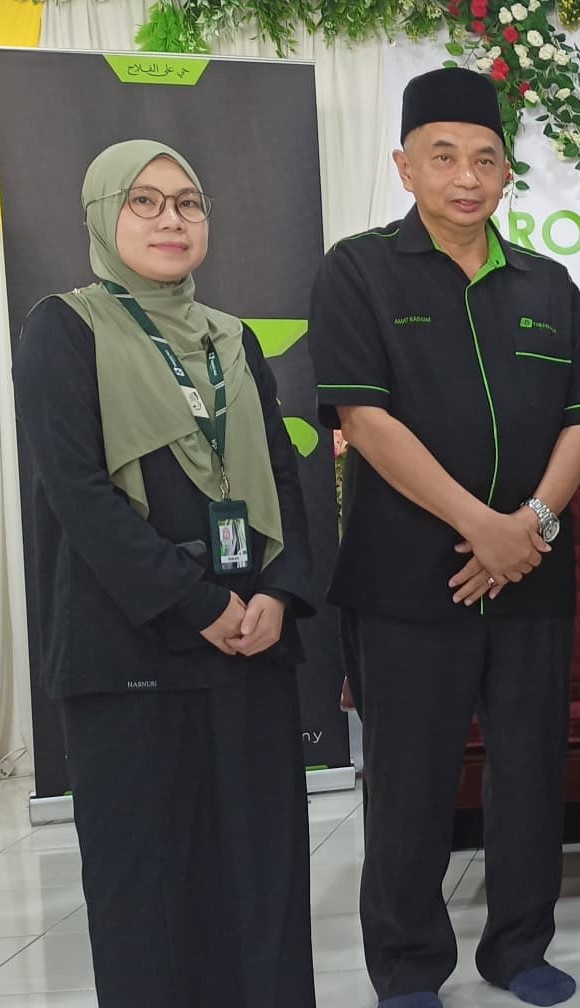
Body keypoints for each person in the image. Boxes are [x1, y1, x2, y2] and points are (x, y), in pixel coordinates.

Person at [307, 68, 580, 1008]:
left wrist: (532, 526)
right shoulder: (358, 271)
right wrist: (483, 527)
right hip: (408, 581)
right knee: (410, 784)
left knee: (528, 774)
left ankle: (519, 949)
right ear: (405, 168)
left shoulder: (547, 282)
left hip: (532, 574)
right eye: (443, 157)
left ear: (508, 172)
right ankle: (408, 968)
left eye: (485, 158)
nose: (466, 176)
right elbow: (365, 419)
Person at [13, 139, 315, 1007]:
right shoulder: (63, 329)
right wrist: (197, 603)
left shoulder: (232, 338)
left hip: (250, 648)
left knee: (262, 880)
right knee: (148, 890)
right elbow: (78, 495)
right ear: (103, 216)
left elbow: (284, 482)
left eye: (187, 202)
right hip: (131, 656)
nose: (170, 219)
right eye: (143, 201)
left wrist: (278, 593)